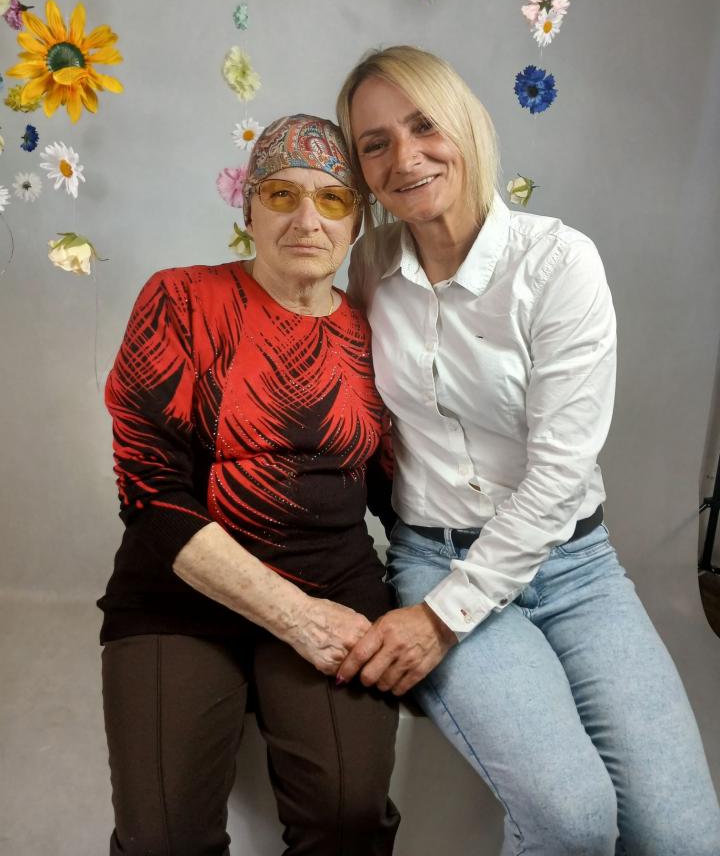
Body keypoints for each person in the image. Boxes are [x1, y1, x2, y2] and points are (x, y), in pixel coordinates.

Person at [334, 45, 720, 855]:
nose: (405, 157)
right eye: (375, 144)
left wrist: (441, 623)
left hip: (576, 570)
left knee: (686, 840)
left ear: (468, 125)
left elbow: (559, 475)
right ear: (362, 170)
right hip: (435, 557)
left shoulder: (558, 262)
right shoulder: (370, 266)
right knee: (573, 819)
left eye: (424, 125)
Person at [98, 115, 400, 856]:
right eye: (282, 194)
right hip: (179, 594)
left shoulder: (378, 334)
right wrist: (295, 618)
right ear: (249, 207)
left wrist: (460, 604)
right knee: (161, 839)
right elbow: (149, 493)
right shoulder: (180, 299)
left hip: (337, 585)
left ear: (357, 220)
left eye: (332, 199)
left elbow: (400, 494)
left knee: (348, 817)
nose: (307, 219)